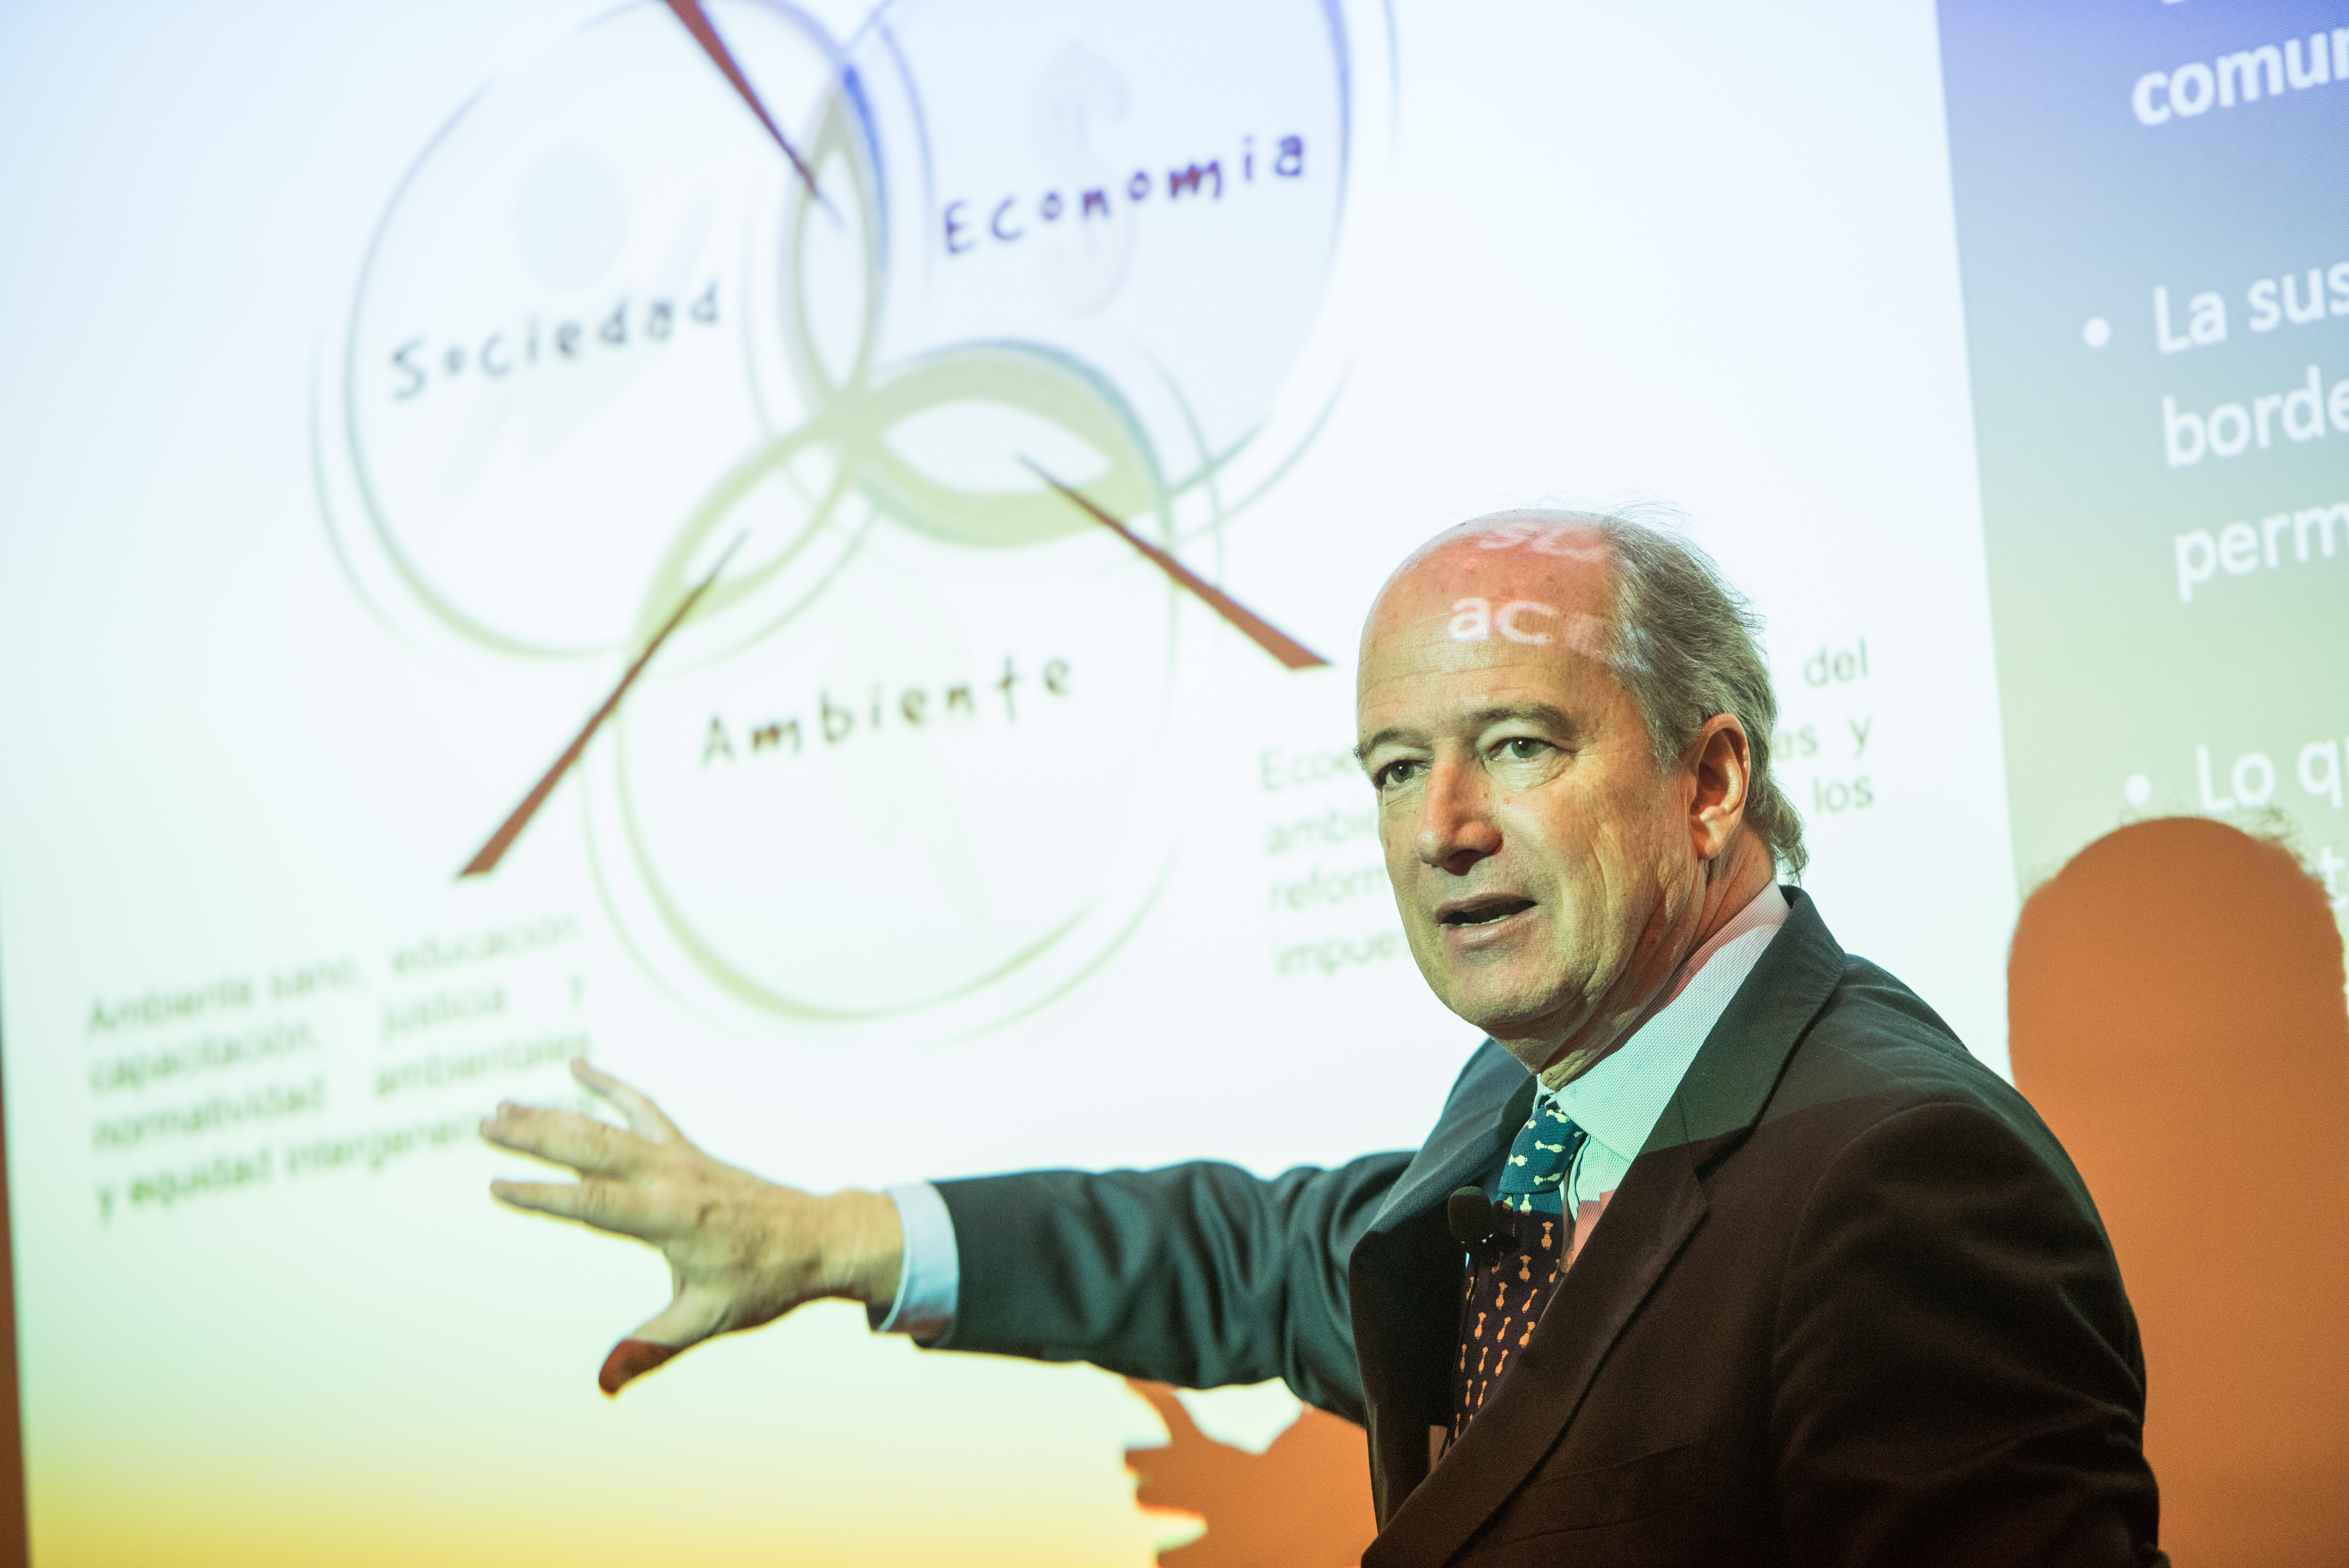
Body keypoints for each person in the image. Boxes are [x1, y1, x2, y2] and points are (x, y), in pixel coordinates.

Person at [483, 510, 2164, 1565]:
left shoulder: (1895, 1172)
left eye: (1518, 746)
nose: (1440, 826)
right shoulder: (1546, 1095)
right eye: (1393, 769)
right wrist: (838, 1238)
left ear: (1709, 778)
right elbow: (1271, 1256)